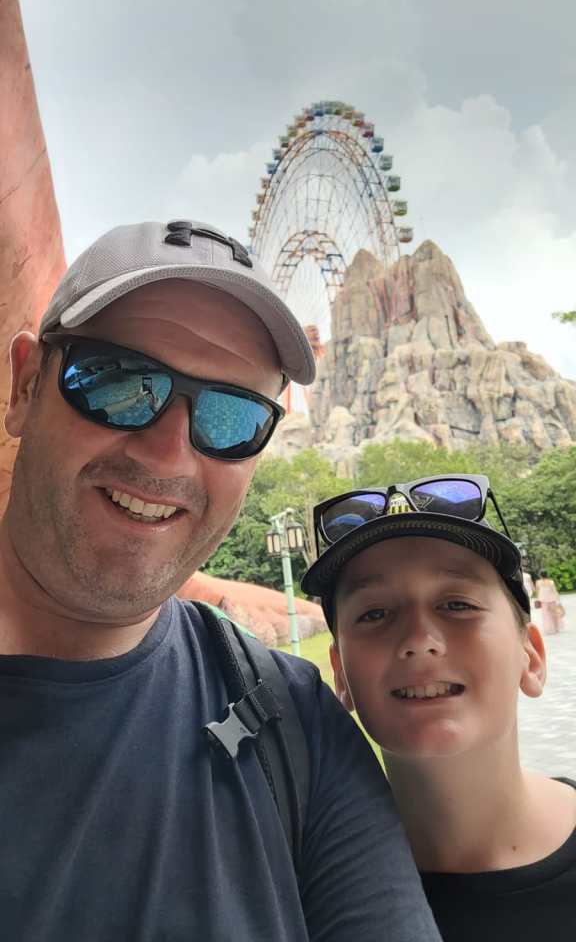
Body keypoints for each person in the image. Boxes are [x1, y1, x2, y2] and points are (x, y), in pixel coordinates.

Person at [0, 219, 440, 941]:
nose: (168, 453)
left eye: (232, 416)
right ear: (25, 385)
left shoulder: (297, 725)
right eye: (118, 381)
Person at [302, 475, 576, 941]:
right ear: (341, 675)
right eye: (374, 614)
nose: (419, 640)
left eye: (457, 604)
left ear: (531, 657)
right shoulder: (299, 892)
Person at [534, 568, 566, 634]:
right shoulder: (551, 582)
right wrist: (558, 600)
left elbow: (537, 592)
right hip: (552, 599)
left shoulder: (538, 582)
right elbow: (554, 591)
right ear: (547, 574)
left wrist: (537, 599)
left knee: (546, 615)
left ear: (540, 575)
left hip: (543, 600)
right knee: (554, 614)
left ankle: (549, 628)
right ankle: (556, 628)